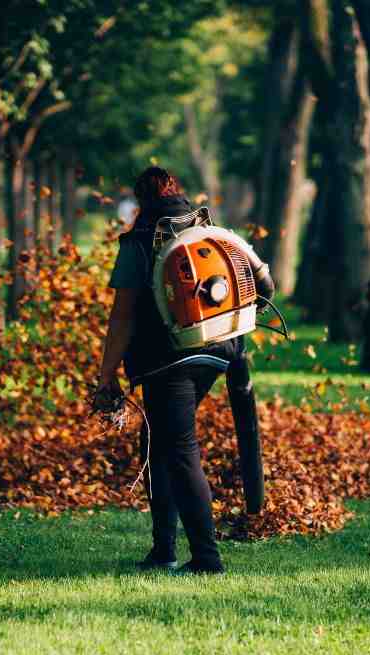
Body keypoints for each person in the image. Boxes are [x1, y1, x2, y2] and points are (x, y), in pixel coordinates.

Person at [97, 166, 270, 575]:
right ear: (178, 192)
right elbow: (265, 286)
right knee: (156, 440)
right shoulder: (211, 232)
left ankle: (207, 559)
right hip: (220, 353)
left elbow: (122, 317)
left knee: (179, 450)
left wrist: (107, 375)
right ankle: (163, 550)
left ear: (141, 201)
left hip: (167, 361)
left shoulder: (139, 242)